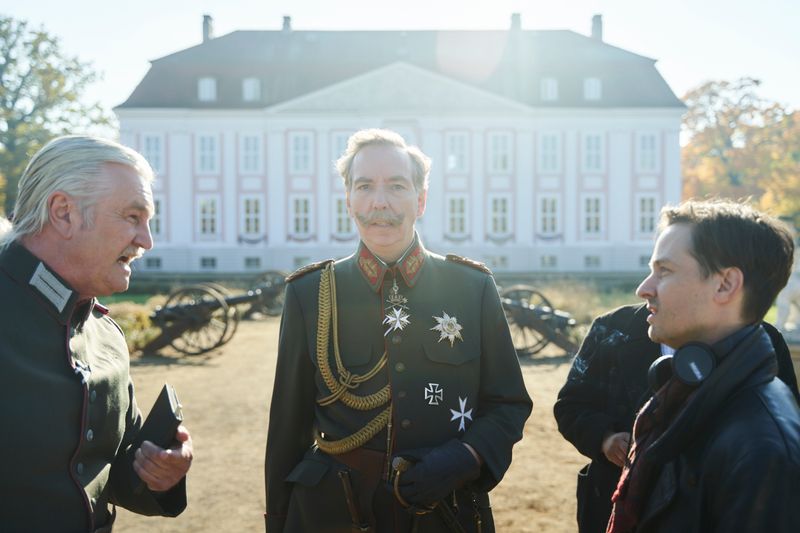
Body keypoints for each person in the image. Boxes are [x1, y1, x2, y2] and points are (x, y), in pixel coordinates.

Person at [264, 129, 532, 532]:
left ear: (420, 200)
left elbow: (508, 403)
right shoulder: (310, 293)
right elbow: (287, 428)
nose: (380, 202)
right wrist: (279, 522)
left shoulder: (472, 287)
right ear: (349, 199)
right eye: (365, 186)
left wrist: (465, 457)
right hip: (333, 511)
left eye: (397, 186)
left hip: (443, 510)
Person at [0, 135, 193, 532]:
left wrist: (160, 471)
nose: (146, 241)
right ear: (64, 213)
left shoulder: (106, 334)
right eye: (132, 217)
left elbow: (110, 476)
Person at [603, 200, 800, 533]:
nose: (643, 289)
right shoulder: (692, 393)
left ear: (725, 285)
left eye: (664, 271)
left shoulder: (761, 449)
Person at [553, 301, 799, 533]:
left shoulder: (762, 339)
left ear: (720, 280)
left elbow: (783, 428)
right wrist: (605, 438)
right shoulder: (612, 329)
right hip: (610, 499)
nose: (645, 288)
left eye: (666, 271)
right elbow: (570, 406)